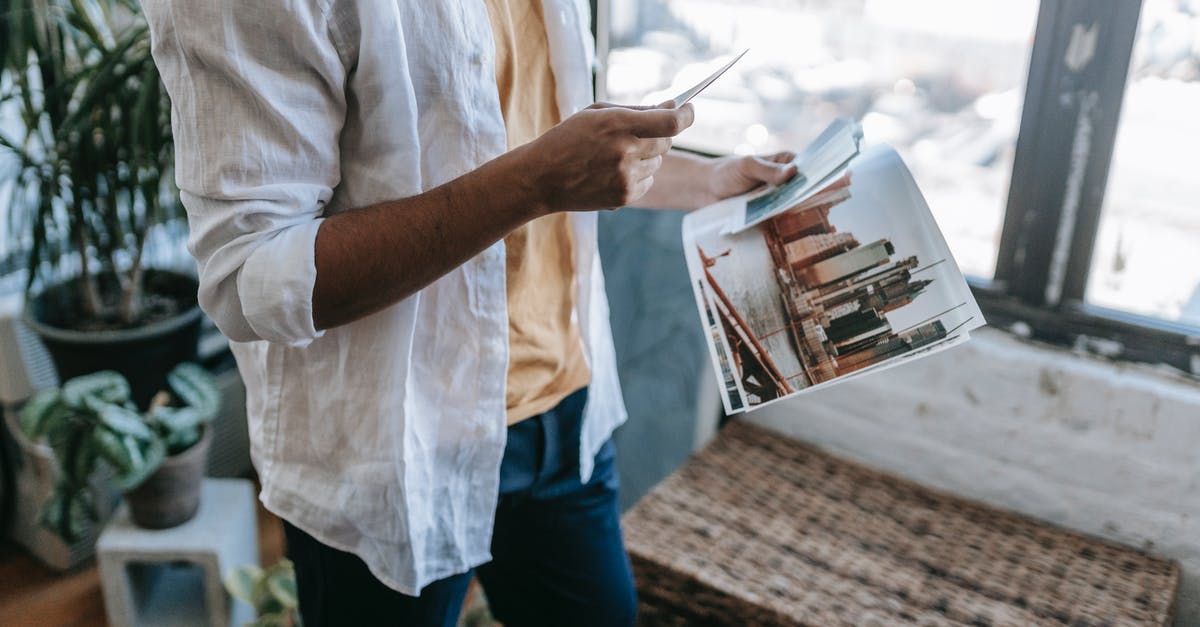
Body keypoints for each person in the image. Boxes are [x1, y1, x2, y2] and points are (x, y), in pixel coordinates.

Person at [143, 1, 795, 625]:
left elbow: (511, 129)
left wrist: (705, 182)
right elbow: (250, 276)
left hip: (566, 398)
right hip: (395, 445)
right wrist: (536, 183)